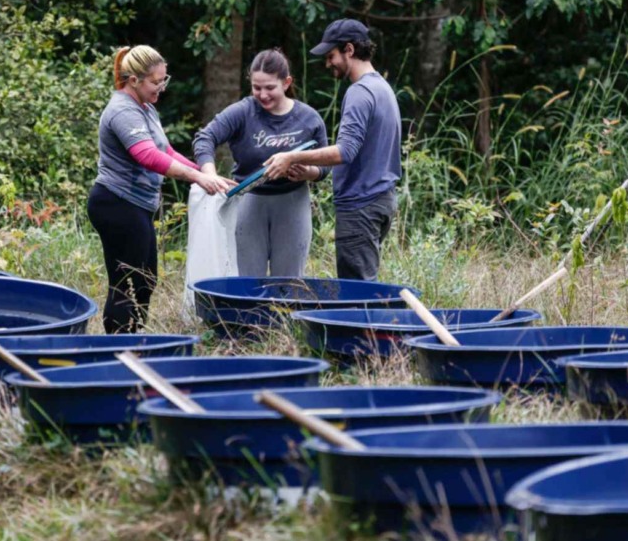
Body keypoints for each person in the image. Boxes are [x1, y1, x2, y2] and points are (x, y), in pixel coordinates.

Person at [88, 45, 234, 334]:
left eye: (164, 80)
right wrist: (197, 177)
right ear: (134, 80)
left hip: (135, 206)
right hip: (116, 203)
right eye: (156, 82)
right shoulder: (121, 111)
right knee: (127, 279)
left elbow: (165, 150)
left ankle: (134, 337)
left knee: (146, 278)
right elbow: (148, 156)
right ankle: (120, 343)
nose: (162, 88)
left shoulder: (146, 109)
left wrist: (204, 173)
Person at [263, 19, 402, 281]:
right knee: (363, 285)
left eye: (331, 56)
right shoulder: (382, 87)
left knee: (357, 292)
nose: (328, 64)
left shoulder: (359, 92)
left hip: (361, 204)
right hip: (382, 200)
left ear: (349, 50)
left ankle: (367, 325)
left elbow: (345, 152)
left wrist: (291, 156)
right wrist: (312, 171)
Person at [193, 49, 329, 277]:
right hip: (249, 200)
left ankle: (284, 315)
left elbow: (326, 165)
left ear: (286, 83)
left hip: (292, 202)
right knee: (248, 281)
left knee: (287, 283)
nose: (263, 94)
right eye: (257, 88)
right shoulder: (243, 112)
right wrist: (210, 174)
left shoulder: (309, 118)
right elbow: (204, 138)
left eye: (270, 88)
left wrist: (309, 172)